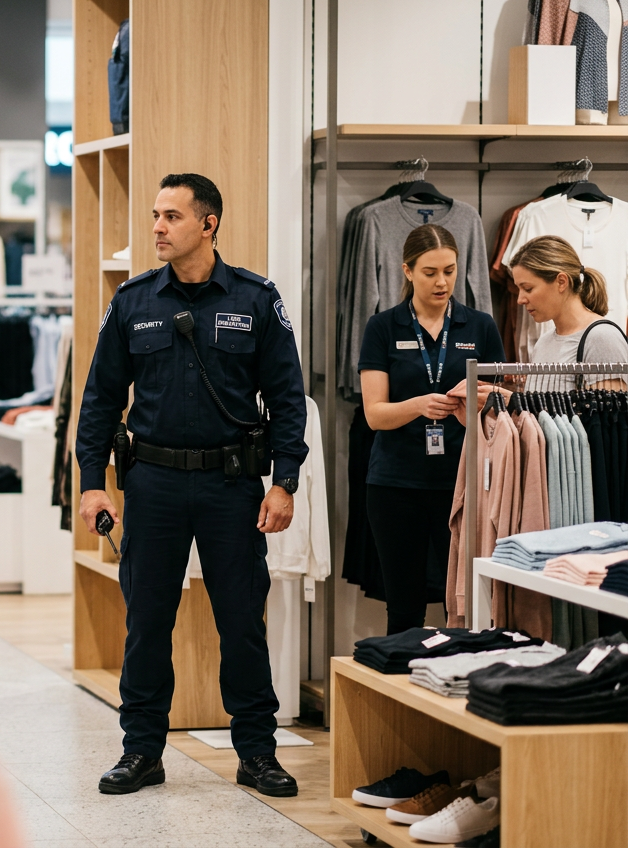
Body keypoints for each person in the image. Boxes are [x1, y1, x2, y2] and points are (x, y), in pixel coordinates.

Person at [76, 173, 307, 798]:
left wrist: (284, 481)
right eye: (155, 215)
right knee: (148, 622)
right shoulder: (132, 301)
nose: (157, 227)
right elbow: (99, 399)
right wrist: (92, 484)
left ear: (209, 224)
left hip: (232, 487)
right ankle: (141, 751)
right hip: (151, 486)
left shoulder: (256, 300)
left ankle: (257, 752)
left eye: (172, 216)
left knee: (241, 622)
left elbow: (289, 398)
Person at [358, 225, 505, 636]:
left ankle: (459, 687)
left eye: (450, 271)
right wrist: (420, 405)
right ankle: (402, 693)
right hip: (395, 484)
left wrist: (475, 401)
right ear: (407, 271)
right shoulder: (383, 327)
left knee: (464, 603)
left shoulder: (480, 327)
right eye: (429, 272)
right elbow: (375, 414)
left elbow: (501, 404)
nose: (442, 282)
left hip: (463, 484)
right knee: (404, 607)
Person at [506, 235, 628, 392]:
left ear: (561, 282)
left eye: (528, 288)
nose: (520, 300)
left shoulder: (603, 339)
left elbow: (610, 416)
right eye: (519, 289)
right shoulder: (543, 343)